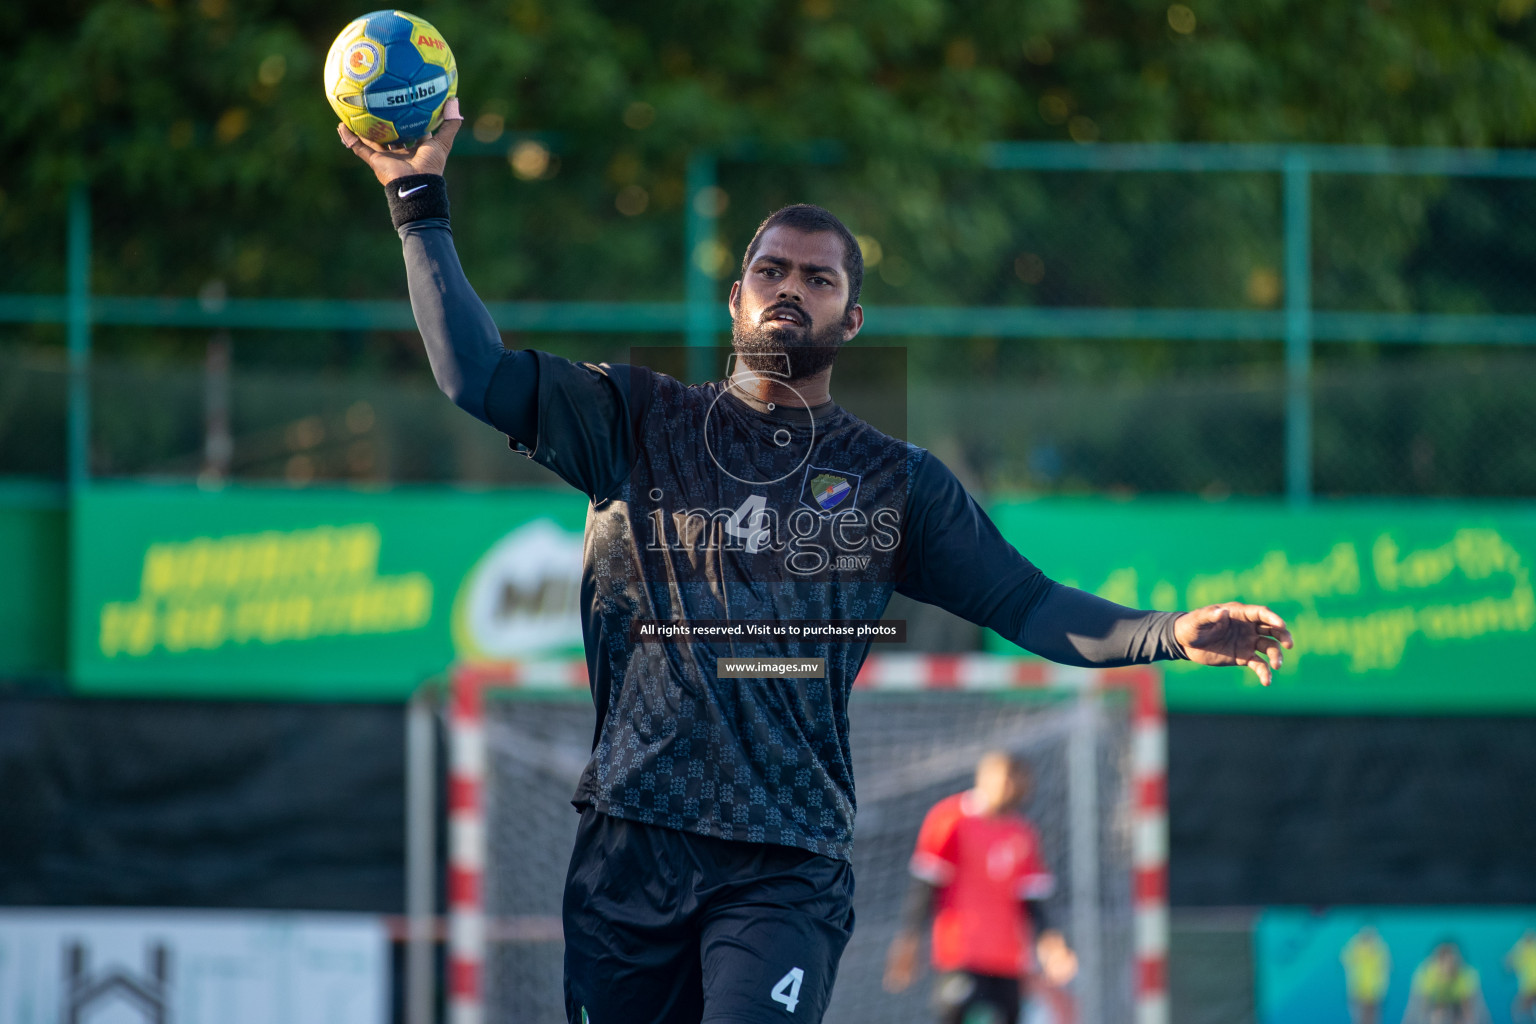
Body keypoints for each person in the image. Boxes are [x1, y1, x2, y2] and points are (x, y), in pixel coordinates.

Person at [339, 100, 1295, 1024]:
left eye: (819, 279)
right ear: (737, 297)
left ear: (851, 323)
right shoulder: (635, 420)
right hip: (629, 851)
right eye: (770, 270)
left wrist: (1168, 632)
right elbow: (472, 374)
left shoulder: (896, 482)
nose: (790, 287)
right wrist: (416, 200)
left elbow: (1026, 601)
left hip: (785, 861)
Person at [883, 752, 1076, 1024]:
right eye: (1008, 779)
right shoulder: (950, 818)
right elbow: (925, 886)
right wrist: (908, 941)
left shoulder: (1023, 832)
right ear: (986, 777)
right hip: (962, 955)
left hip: (1010, 962)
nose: (1015, 788)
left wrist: (1052, 947)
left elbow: (1033, 902)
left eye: (1020, 781)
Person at [1403, 941, 1485, 1024]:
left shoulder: (1466, 978)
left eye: (1452, 966)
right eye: (1445, 965)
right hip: (1434, 1001)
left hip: (1457, 1003)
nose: (1448, 970)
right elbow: (1419, 1011)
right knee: (1433, 1017)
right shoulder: (1425, 976)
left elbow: (1468, 1012)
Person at [1341, 924, 1391, 1024]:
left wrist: (1381, 990)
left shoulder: (1380, 947)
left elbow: (1385, 969)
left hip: (1375, 993)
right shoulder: (1354, 945)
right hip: (1357, 992)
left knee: (1372, 1020)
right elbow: (1345, 960)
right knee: (1359, 1020)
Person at [1507, 930, 1536, 1022]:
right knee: (1525, 1010)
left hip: (1528, 988)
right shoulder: (1522, 947)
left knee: (1516, 1010)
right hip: (1528, 988)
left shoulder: (1520, 947)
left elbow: (1508, 964)